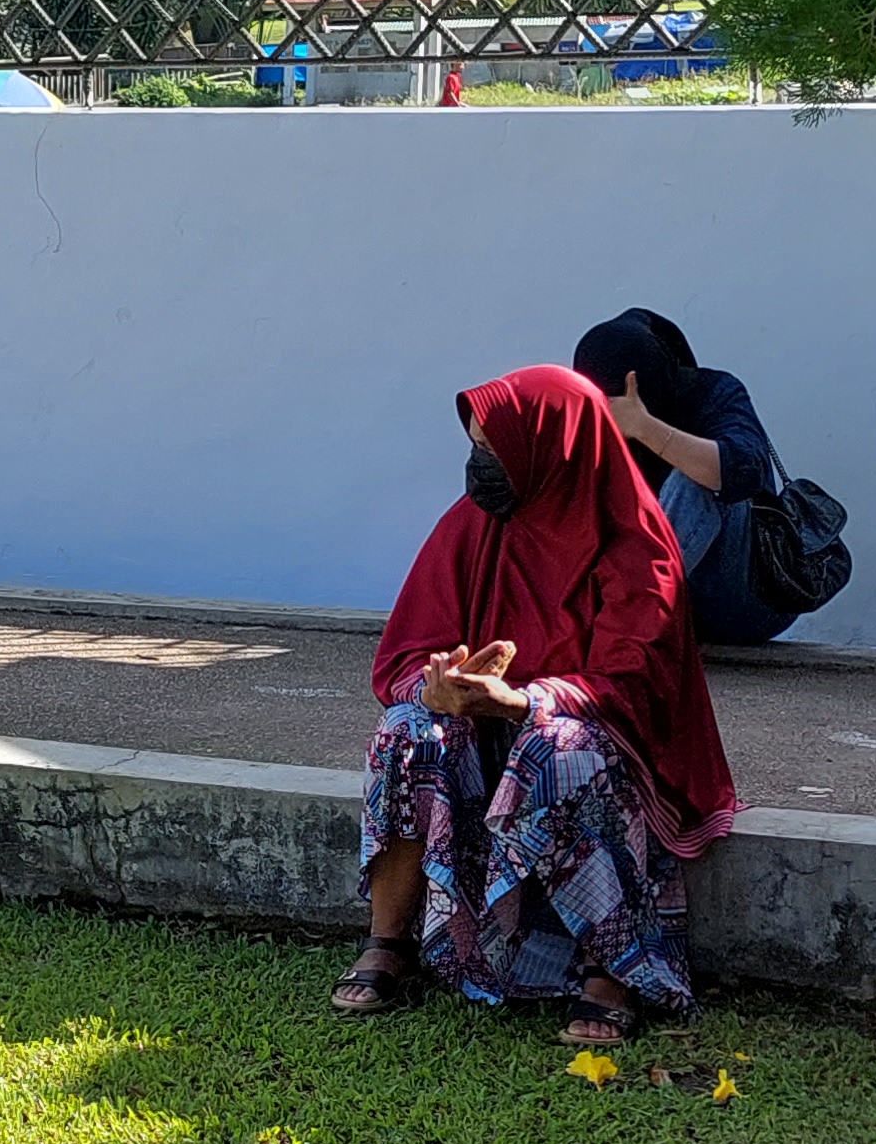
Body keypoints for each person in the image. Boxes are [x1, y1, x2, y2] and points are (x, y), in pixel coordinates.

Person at [335, 366, 740, 1045]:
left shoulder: (637, 542)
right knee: (408, 730)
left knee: (560, 750)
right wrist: (438, 688)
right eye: (475, 449)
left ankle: (610, 967)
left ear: (554, 451)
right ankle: (390, 939)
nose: (480, 468)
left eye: (494, 453)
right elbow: (406, 652)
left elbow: (631, 681)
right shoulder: (472, 525)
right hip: (489, 735)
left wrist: (526, 702)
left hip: (608, 747)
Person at [569, 309, 794, 644]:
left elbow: (742, 472)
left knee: (696, 479)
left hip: (746, 599)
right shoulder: (586, 414)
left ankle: (626, 619)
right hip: (668, 609)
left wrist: (644, 427)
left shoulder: (713, 393)